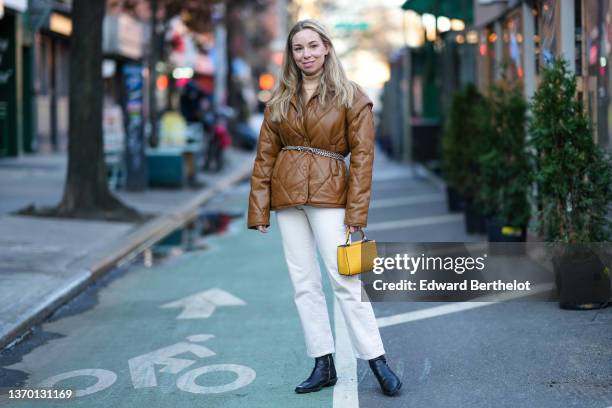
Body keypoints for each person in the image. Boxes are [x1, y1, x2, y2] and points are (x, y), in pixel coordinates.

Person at [247, 19, 402, 396]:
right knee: (304, 284)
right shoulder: (281, 98)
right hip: (287, 199)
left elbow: (363, 158)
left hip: (331, 196)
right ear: (291, 54)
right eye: (299, 49)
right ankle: (323, 363)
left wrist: (356, 215)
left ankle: (376, 361)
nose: (306, 55)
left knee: (346, 281)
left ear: (327, 47)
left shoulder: (351, 96)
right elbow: (265, 155)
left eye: (313, 46)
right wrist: (259, 208)